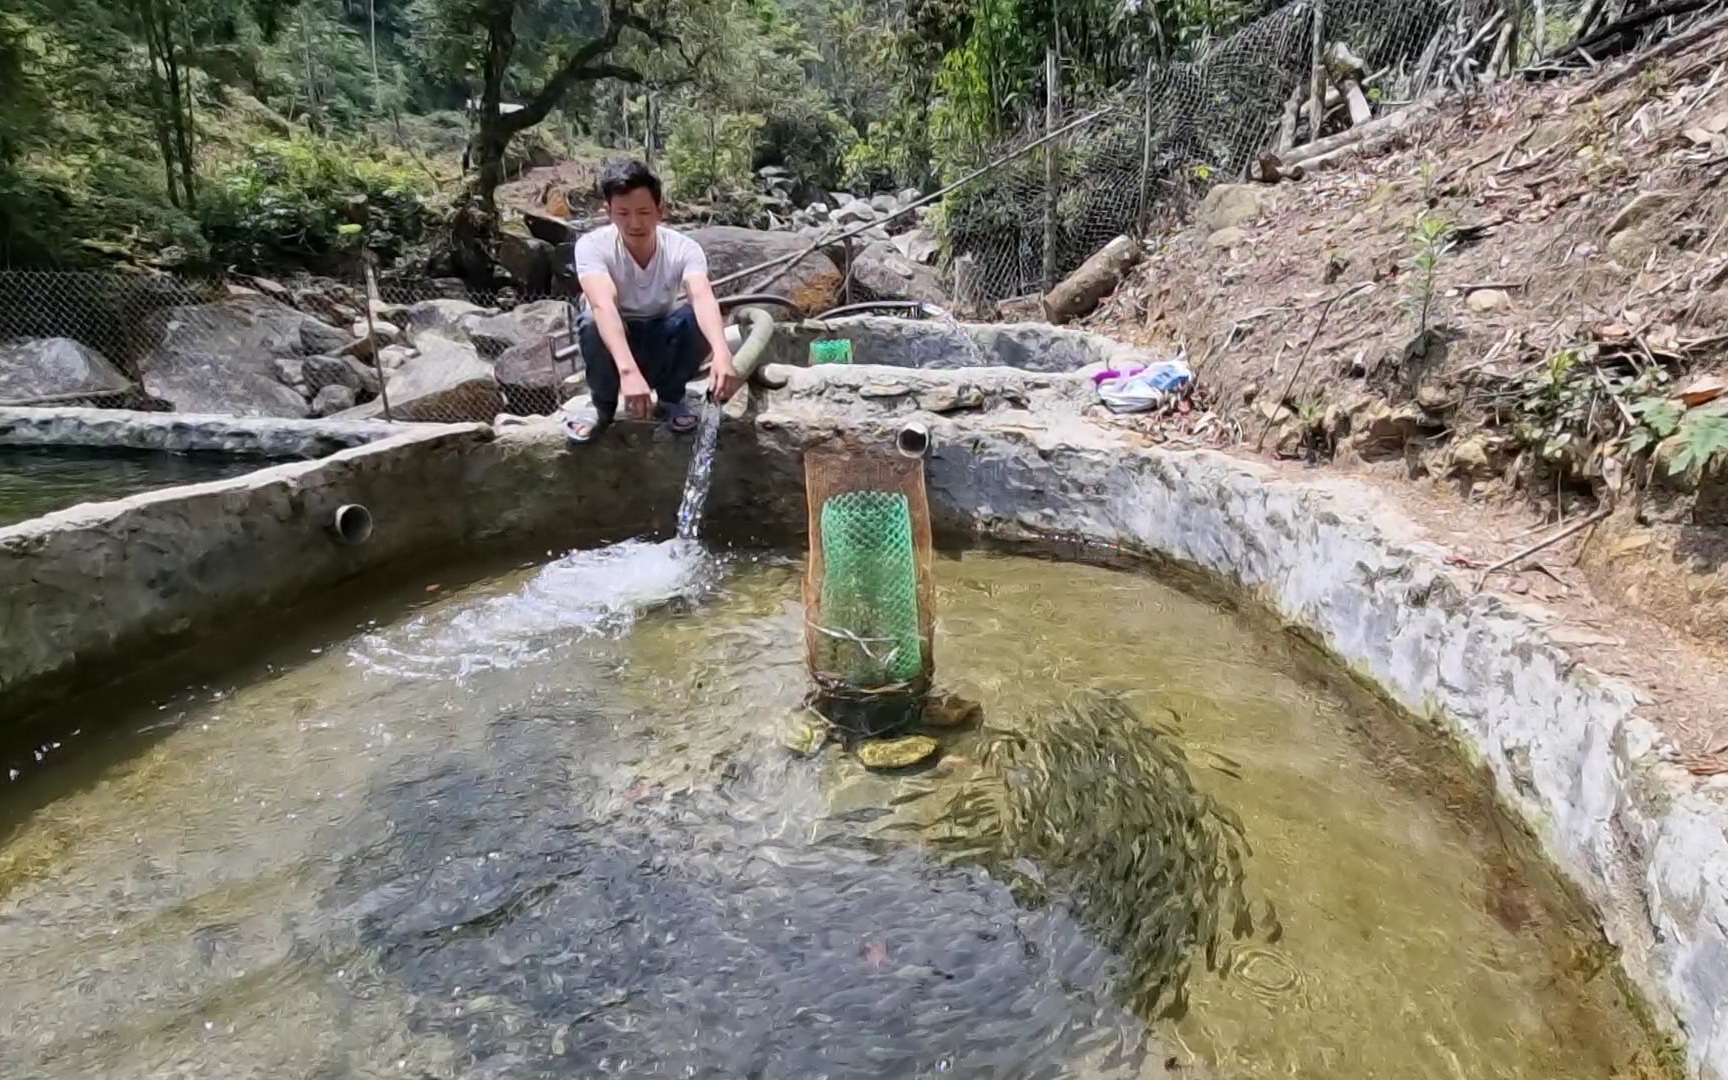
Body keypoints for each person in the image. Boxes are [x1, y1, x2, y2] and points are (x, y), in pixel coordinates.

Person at [565, 159, 742, 442]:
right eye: (623, 213)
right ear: (608, 212)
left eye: (644, 212)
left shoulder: (684, 248)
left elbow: (702, 294)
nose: (635, 223)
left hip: (661, 337)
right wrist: (627, 371)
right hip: (616, 344)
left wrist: (722, 352)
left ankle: (672, 399)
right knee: (590, 322)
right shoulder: (592, 246)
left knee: (694, 316)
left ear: (661, 211)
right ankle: (602, 408)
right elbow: (602, 304)